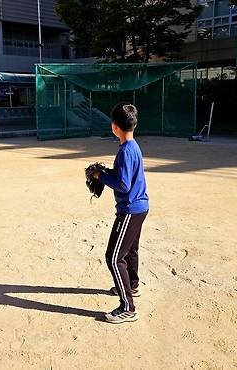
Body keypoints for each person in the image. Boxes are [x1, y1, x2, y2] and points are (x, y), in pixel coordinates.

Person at [93, 103, 149, 324]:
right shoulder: (133, 146)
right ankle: (132, 286)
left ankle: (128, 307)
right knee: (130, 250)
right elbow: (125, 176)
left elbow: (123, 185)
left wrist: (101, 177)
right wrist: (107, 172)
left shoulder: (126, 151)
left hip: (129, 210)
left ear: (115, 127)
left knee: (114, 257)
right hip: (140, 207)